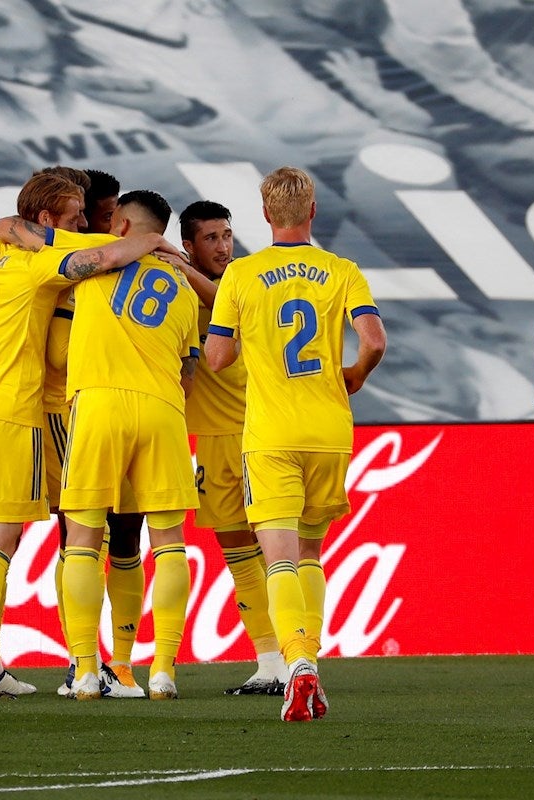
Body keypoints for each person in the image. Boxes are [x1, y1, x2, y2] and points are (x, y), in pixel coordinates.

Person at [0, 172, 178, 698]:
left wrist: (8, 226)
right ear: (47, 221)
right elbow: (98, 261)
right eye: (75, 214)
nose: (84, 223)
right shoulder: (41, 268)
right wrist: (146, 240)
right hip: (17, 415)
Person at [205, 166, 387, 722]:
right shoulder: (342, 270)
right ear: (313, 213)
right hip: (330, 430)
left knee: (277, 558)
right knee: (311, 552)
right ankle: (310, 665)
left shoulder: (242, 274)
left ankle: (299, 667)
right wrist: (353, 374)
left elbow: (217, 358)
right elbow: (375, 340)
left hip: (272, 434)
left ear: (265, 216)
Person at [56, 186, 200, 701]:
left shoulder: (96, 266)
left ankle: (88, 670)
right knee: (168, 544)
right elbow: (189, 366)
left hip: (99, 403)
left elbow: (69, 264)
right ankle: (161, 669)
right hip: (163, 409)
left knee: (83, 540)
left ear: (120, 225)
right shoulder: (183, 288)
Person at [177, 199, 289, 695]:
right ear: (190, 245)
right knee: (238, 553)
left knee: (277, 553)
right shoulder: (176, 290)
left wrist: (178, 266)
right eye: (211, 238)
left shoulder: (242, 280)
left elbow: (223, 302)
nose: (224, 246)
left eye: (227, 234)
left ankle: (296, 656)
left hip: (256, 436)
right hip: (215, 442)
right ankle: (271, 662)